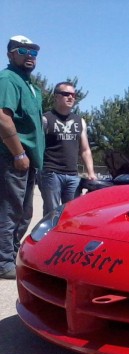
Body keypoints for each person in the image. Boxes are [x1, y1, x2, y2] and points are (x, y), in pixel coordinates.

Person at [0, 35, 44, 280]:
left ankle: (12, 254)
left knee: (24, 212)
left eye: (34, 52)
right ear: (10, 54)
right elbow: (2, 118)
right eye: (23, 51)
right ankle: (3, 261)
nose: (29, 56)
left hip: (28, 160)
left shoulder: (30, 85)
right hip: (12, 158)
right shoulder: (7, 79)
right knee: (10, 211)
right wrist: (18, 152)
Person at [38, 81, 96, 216]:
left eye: (73, 95)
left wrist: (91, 172)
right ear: (56, 97)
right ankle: (49, 237)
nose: (70, 97)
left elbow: (85, 149)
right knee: (51, 214)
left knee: (72, 214)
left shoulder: (79, 121)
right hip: (50, 173)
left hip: (72, 175)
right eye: (66, 94)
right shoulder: (45, 119)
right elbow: (37, 146)